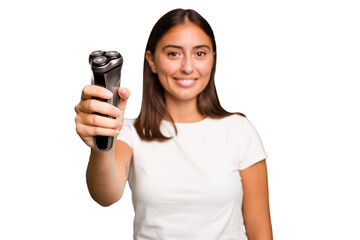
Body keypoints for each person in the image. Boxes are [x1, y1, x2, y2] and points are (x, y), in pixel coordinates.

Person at [75, 8, 273, 240]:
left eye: (200, 53)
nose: (188, 67)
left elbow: (261, 233)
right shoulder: (129, 133)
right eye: (173, 54)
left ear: (213, 59)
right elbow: (105, 195)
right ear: (152, 61)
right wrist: (103, 143)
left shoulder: (239, 131)